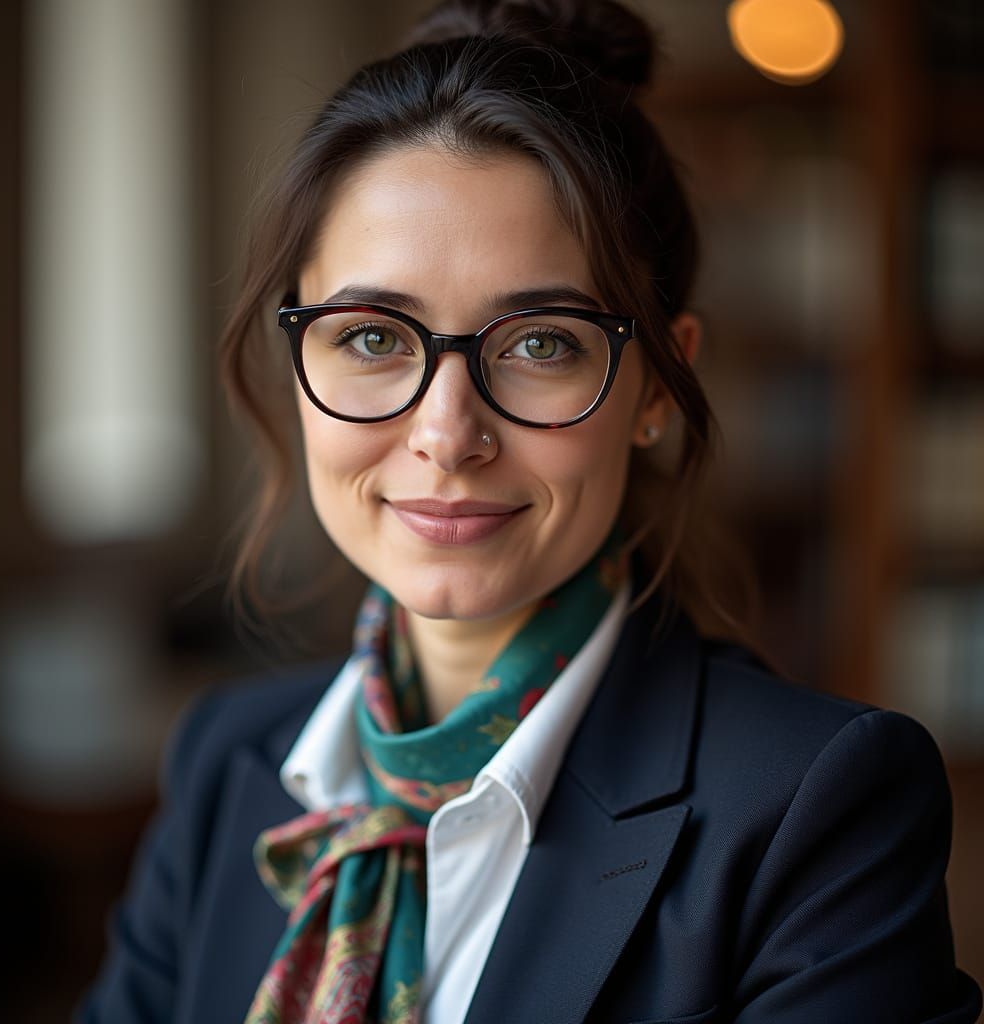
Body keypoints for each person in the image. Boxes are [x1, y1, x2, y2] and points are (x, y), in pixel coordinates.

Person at [78, 1, 982, 1021]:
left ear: (654, 385)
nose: (446, 434)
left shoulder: (814, 811)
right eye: (372, 338)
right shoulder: (224, 761)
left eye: (540, 342)